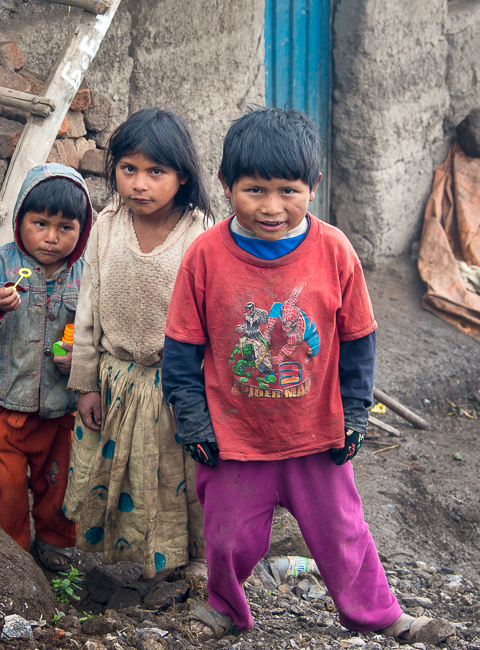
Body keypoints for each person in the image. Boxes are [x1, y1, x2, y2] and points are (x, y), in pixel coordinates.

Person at [161, 108, 454, 645]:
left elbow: (359, 340)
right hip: (235, 438)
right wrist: (194, 422)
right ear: (226, 186)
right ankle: (224, 607)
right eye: (254, 191)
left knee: (343, 533)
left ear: (313, 187)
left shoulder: (334, 250)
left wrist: (356, 413)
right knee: (228, 540)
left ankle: (381, 615)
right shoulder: (204, 256)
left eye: (288, 191)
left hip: (315, 436)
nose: (272, 207)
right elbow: (181, 349)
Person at [62, 108, 216, 580]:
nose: (139, 184)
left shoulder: (202, 234)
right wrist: (86, 382)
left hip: (176, 388)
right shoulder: (106, 225)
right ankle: (128, 558)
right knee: (123, 475)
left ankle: (192, 561)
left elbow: (215, 321)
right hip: (116, 381)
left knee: (177, 478)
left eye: (156, 172)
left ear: (183, 177)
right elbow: (88, 309)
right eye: (129, 169)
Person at [0, 164, 92, 571]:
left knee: (59, 482)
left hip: (62, 405)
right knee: (8, 485)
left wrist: (79, 360)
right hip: (3, 398)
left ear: (83, 230)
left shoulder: (87, 277)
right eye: (40, 223)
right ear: (19, 220)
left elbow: (100, 329)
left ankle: (55, 542)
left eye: (66, 227)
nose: (50, 237)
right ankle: (12, 551)